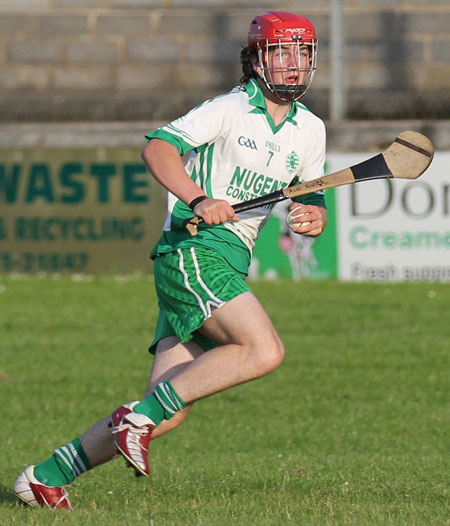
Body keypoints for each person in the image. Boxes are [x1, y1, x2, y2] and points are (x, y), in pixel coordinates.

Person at [15, 10, 328, 509]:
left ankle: (44, 478)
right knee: (264, 349)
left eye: (303, 53)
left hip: (231, 258)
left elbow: (311, 202)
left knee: (168, 408)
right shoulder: (226, 109)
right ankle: (133, 420)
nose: (293, 64)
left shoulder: (310, 130)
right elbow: (158, 148)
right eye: (281, 51)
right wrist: (200, 198)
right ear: (257, 58)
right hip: (193, 249)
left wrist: (311, 217)